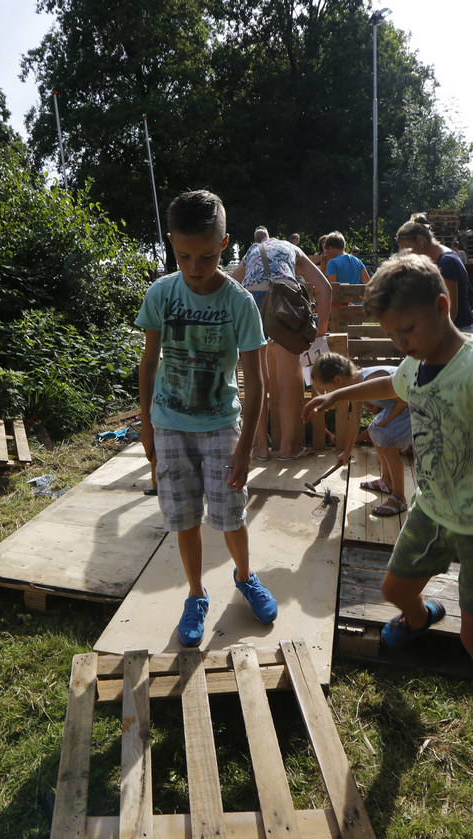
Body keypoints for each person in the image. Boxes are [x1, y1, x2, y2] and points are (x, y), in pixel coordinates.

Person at [302, 253, 473, 830]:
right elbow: (387, 381)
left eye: (409, 330)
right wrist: (337, 397)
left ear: (443, 305)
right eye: (394, 335)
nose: (404, 343)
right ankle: (419, 619)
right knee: (395, 591)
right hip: (435, 509)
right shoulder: (415, 363)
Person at [135, 190, 277, 647]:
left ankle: (245, 576)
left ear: (225, 245)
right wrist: (146, 424)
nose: (195, 267)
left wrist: (246, 446)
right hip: (169, 425)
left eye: (208, 257)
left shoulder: (240, 303)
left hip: (220, 425)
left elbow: (257, 382)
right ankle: (196, 594)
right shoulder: (161, 294)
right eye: (183, 256)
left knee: (230, 515)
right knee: (183, 517)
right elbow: (149, 363)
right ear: (171, 245)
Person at [230, 227, 333, 461]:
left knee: (257, 382)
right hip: (285, 303)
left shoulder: (253, 250)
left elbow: (228, 283)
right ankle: (287, 449)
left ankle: (261, 448)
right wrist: (321, 330)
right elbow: (325, 288)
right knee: (287, 384)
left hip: (251, 300)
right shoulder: (293, 249)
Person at [310, 352, 410, 517]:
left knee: (388, 445)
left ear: (337, 380)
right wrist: (347, 452)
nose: (328, 394)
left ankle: (399, 498)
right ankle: (387, 481)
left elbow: (404, 400)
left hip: (413, 405)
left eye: (327, 390)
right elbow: (355, 420)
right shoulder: (356, 385)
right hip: (399, 407)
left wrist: (385, 422)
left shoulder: (371, 379)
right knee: (374, 430)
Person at [396, 213, 473, 333]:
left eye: (408, 248)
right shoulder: (437, 258)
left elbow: (451, 311)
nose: (407, 254)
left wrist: (433, 338)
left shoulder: (446, 262)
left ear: (420, 240)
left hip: (457, 330)